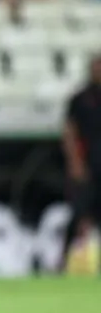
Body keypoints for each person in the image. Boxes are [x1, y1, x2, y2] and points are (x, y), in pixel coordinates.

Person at [63, 54, 101, 245]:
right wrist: (75, 162)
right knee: (79, 213)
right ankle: (65, 258)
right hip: (89, 164)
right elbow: (70, 131)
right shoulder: (80, 99)